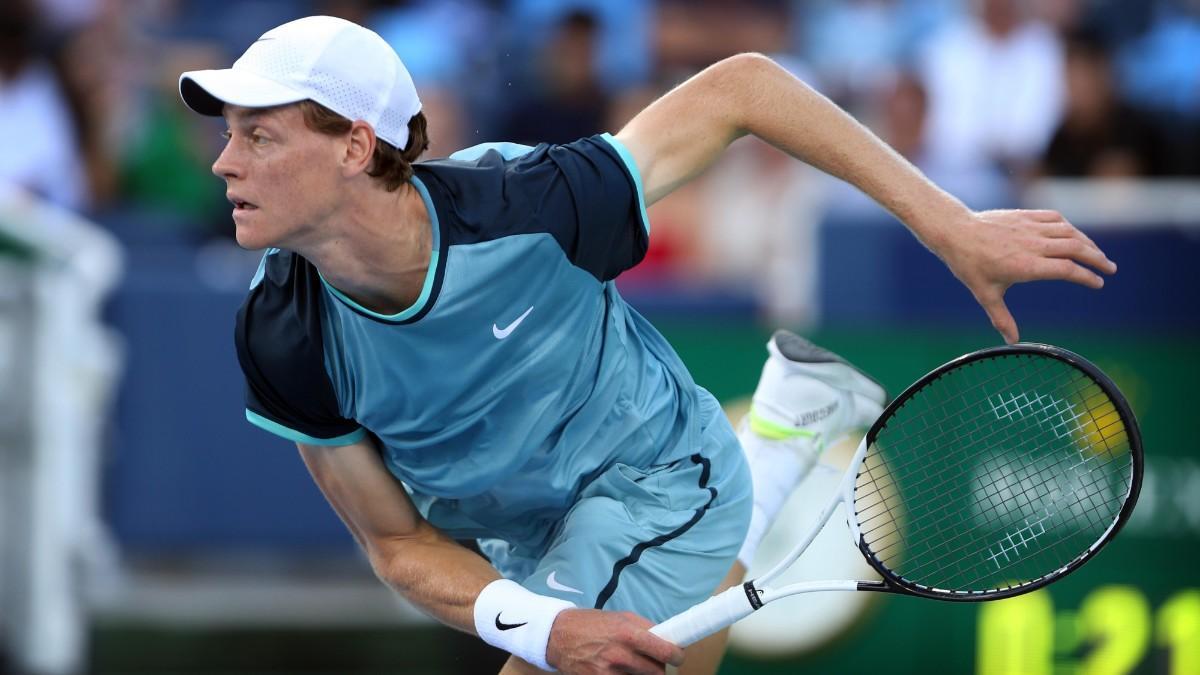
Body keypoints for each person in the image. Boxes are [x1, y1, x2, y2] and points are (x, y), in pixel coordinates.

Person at [178, 16, 1117, 675]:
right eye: (229, 135)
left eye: (259, 135)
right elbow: (395, 545)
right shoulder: (280, 331)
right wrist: (550, 624)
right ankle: (779, 452)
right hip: (518, 534)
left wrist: (950, 224)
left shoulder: (530, 208)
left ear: (356, 146)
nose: (225, 162)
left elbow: (744, 85)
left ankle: (750, 472)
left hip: (649, 476)